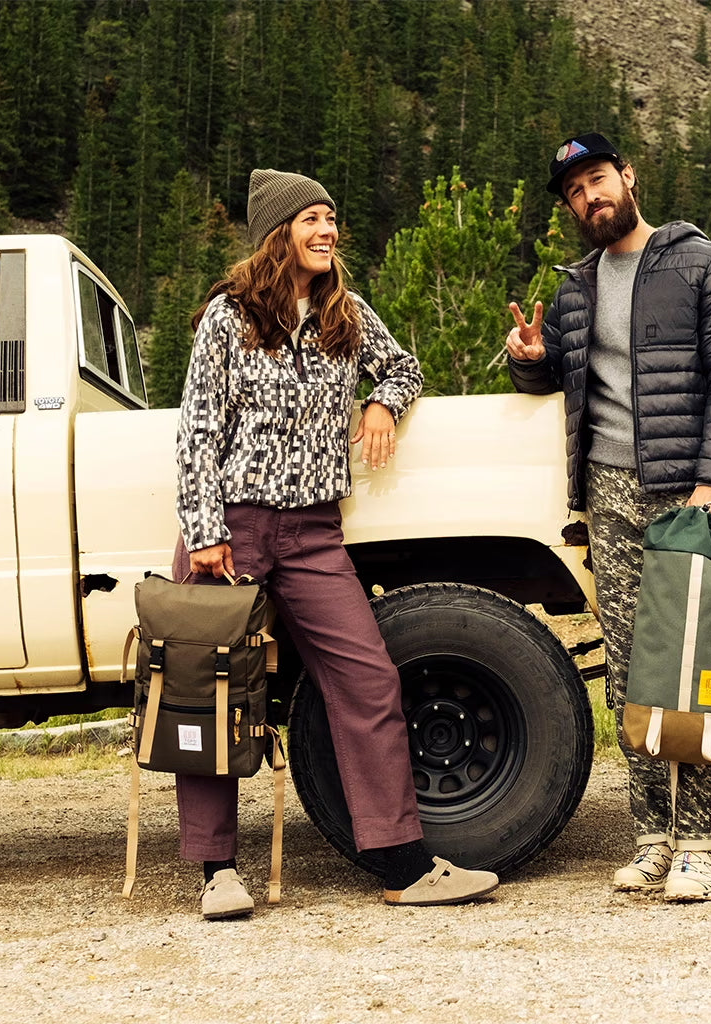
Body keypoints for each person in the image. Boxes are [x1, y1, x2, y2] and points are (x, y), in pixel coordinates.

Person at [174, 168, 499, 919]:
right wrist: (206, 531)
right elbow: (196, 430)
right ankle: (217, 871)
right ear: (278, 232)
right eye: (313, 218)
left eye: (332, 218)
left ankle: (399, 861)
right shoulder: (229, 317)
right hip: (234, 525)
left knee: (369, 682)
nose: (328, 231)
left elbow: (404, 365)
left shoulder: (344, 313)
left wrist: (384, 400)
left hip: (315, 532)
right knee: (211, 691)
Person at [506, 133, 711, 901]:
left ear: (628, 177)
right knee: (630, 674)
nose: (590, 197)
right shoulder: (578, 285)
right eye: (575, 192)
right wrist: (529, 358)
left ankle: (698, 847)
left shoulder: (702, 264)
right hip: (608, 496)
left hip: (686, 498)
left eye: (597, 179)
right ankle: (652, 835)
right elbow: (566, 376)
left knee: (696, 672)